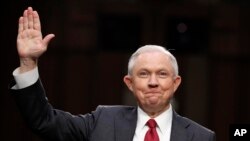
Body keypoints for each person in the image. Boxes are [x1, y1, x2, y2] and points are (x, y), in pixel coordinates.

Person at [10, 7, 216, 141]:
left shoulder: (201, 137)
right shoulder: (103, 120)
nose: (153, 82)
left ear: (176, 82)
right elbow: (44, 121)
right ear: (130, 83)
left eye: (162, 74)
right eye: (144, 74)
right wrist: (28, 62)